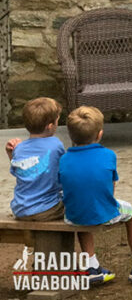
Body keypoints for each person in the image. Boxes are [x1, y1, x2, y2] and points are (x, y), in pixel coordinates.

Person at [5, 98, 113, 286]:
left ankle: (72, 266)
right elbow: (64, 173)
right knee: (78, 209)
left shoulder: (19, 147)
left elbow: (22, 172)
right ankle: (91, 265)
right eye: (57, 120)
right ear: (50, 126)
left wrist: (11, 155)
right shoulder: (55, 145)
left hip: (21, 208)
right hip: (46, 209)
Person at [58, 106, 132, 284]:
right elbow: (110, 188)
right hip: (104, 211)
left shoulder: (64, 159)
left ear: (71, 135)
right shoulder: (108, 155)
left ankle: (91, 265)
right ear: (100, 134)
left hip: (73, 215)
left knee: (82, 213)